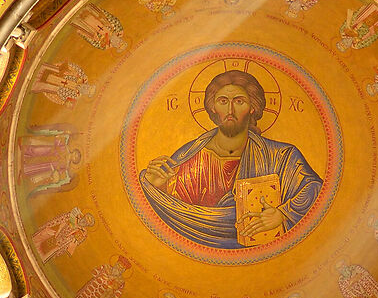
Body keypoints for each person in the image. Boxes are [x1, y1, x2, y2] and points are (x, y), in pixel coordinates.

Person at [138, 69, 322, 250]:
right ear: (212, 107)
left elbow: (314, 188)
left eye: (239, 101)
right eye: (223, 101)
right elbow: (176, 211)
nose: (230, 110)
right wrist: (158, 188)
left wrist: (283, 214)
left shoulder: (281, 156)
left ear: (253, 107)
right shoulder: (190, 158)